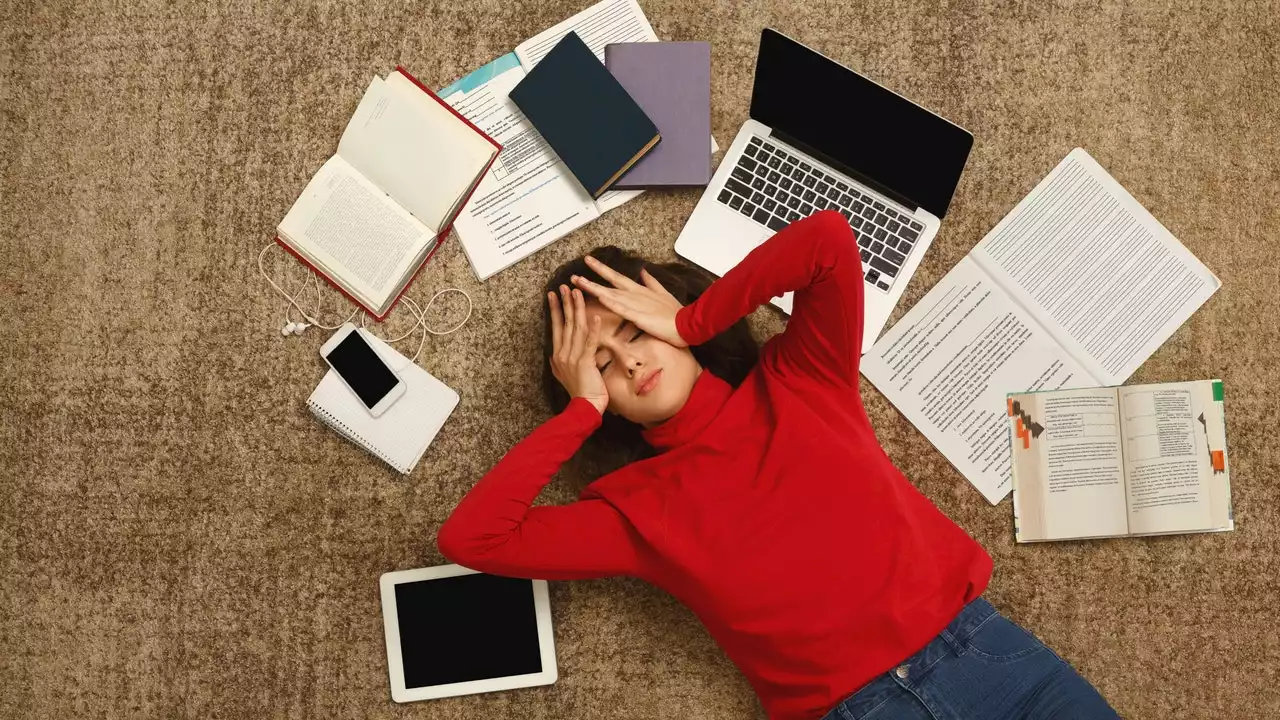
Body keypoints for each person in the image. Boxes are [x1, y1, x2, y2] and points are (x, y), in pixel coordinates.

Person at [437, 211, 1119, 720]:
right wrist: (579, 407)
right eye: (603, 365)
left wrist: (692, 319)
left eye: (634, 333)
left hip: (992, 657)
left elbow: (827, 241)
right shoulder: (628, 511)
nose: (633, 363)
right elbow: (474, 539)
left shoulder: (799, 376)